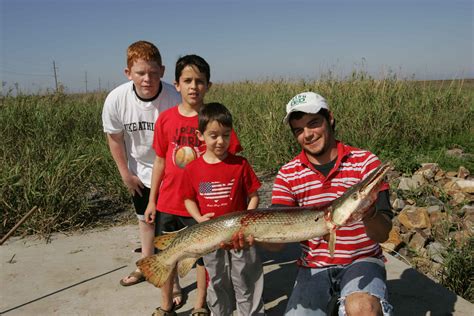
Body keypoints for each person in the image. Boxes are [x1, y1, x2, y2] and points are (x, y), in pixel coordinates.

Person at [227, 92, 394, 315]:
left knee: (361, 308)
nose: (307, 135)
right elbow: (278, 243)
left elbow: (382, 234)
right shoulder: (288, 174)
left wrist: (369, 212)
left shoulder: (365, 163)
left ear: (330, 119)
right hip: (314, 267)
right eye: (299, 130)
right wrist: (253, 238)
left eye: (313, 123)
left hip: (362, 261)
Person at [144, 55, 243, 316]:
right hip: (168, 202)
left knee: (202, 258)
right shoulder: (165, 120)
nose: (193, 86)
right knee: (166, 257)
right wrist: (152, 201)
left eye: (200, 81)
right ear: (176, 85)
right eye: (187, 80)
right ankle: (165, 306)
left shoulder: (216, 121)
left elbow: (231, 166)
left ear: (208, 85)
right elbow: (160, 161)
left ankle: (200, 305)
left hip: (201, 208)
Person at [101, 40, 183, 303]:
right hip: (139, 171)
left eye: (153, 72)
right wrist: (125, 174)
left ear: (162, 70)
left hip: (170, 171)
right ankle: (145, 266)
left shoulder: (173, 97)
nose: (147, 79)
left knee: (169, 229)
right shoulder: (116, 99)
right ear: (128, 73)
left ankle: (173, 283)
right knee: (145, 222)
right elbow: (114, 138)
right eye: (140, 73)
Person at [182, 102, 265, 316]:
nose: (221, 141)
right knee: (216, 280)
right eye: (214, 135)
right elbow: (189, 199)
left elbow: (253, 195)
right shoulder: (193, 169)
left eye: (226, 135)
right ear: (200, 136)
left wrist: (248, 218)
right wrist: (199, 218)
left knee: (246, 279)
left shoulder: (240, 164)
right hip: (210, 236)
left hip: (241, 235)